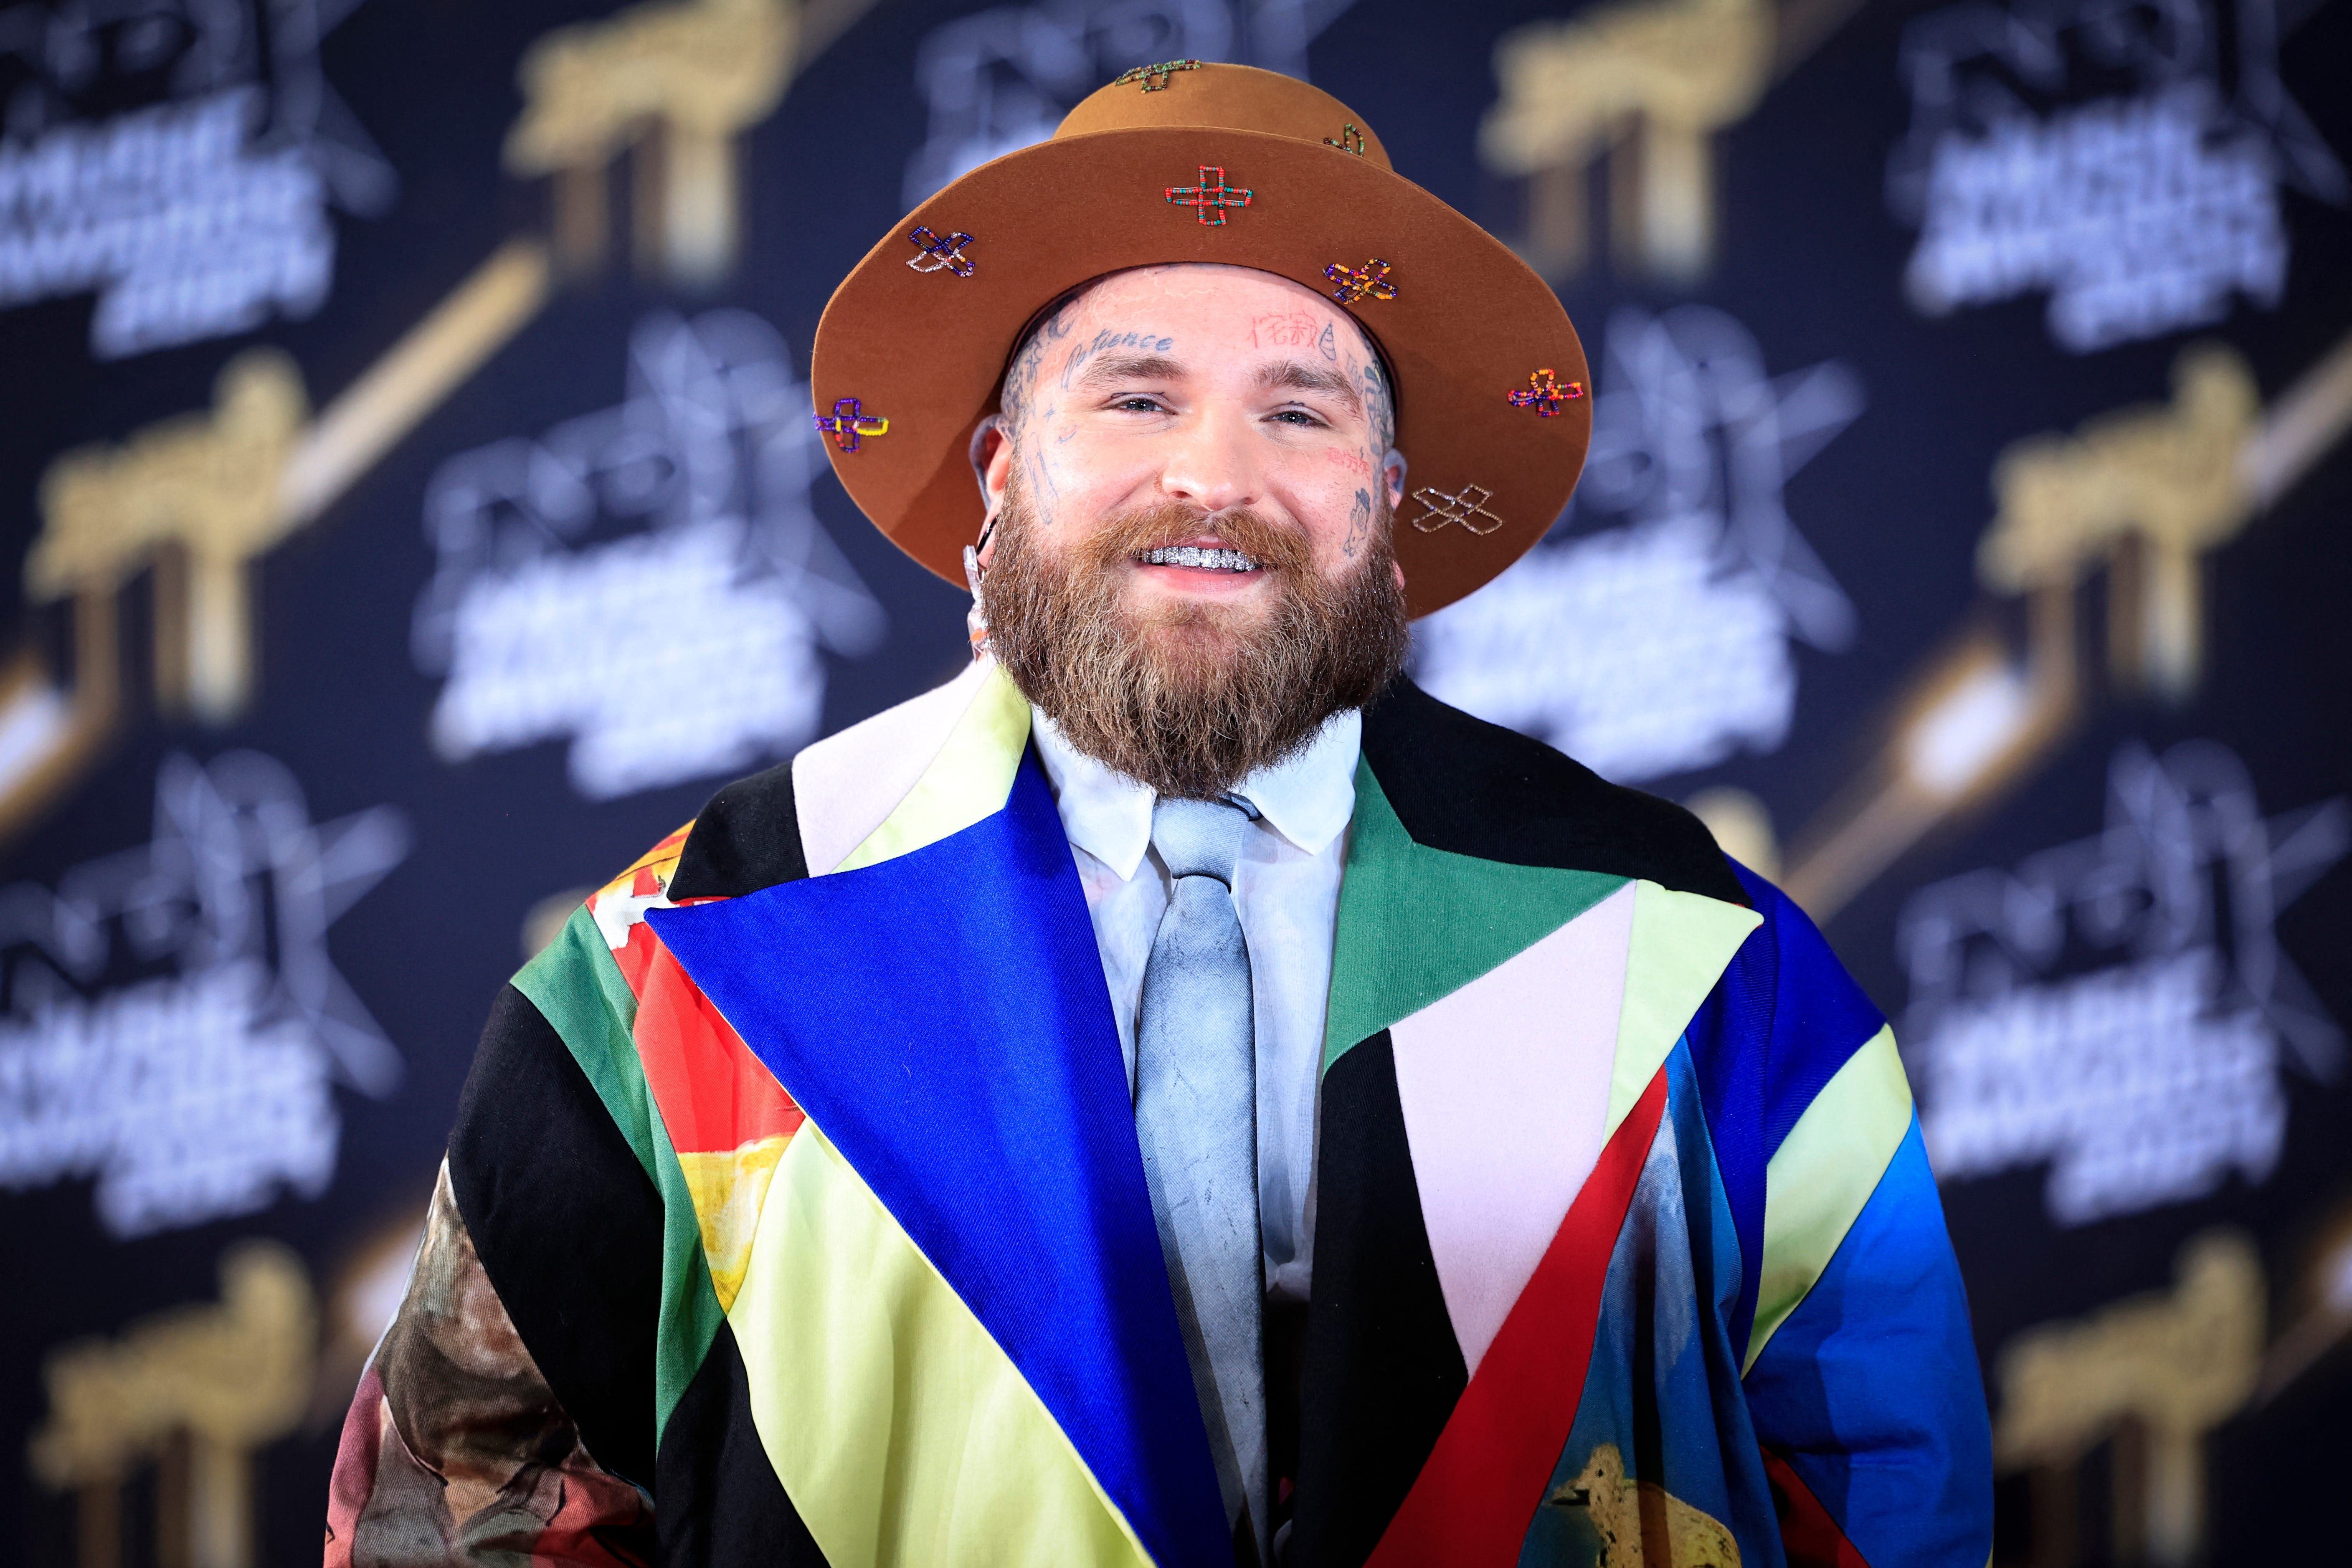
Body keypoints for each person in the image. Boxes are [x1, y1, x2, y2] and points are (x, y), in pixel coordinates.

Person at [325, 65, 1991, 1568]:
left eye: (1300, 408)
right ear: (997, 476)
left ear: (1387, 509)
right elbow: (457, 1514)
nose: (1213, 474)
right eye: (1133, 398)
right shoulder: (673, 970)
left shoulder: (1695, 954)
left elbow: (1884, 1485)